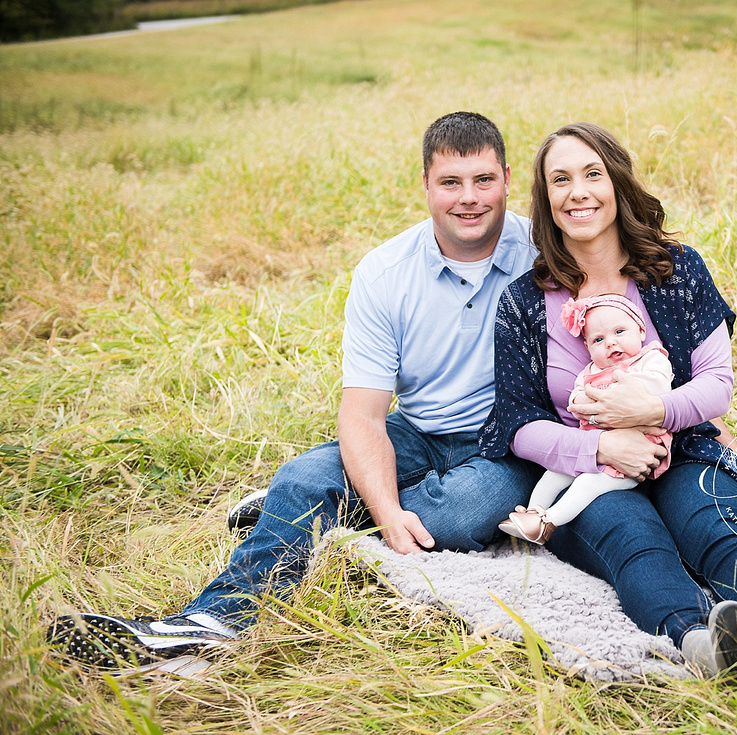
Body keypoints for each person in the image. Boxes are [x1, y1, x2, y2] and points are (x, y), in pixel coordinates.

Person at [49, 111, 542, 672]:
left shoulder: (542, 254)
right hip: (419, 429)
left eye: (483, 180)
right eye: (450, 182)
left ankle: (316, 510)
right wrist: (385, 511)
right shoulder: (384, 274)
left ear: (506, 177)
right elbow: (364, 416)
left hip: (509, 437)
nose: (469, 198)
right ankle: (206, 628)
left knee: (459, 516)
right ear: (424, 185)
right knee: (303, 477)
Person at [479, 122, 737, 679]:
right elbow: (516, 421)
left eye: (592, 174)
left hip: (682, 447)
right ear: (545, 198)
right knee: (638, 544)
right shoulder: (524, 302)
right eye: (560, 179)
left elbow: (715, 383)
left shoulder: (676, 271)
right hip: (586, 474)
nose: (578, 191)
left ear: (617, 182)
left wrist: (651, 413)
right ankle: (707, 646)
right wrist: (603, 446)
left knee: (709, 528)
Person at [498, 293, 674, 544]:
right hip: (594, 447)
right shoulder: (591, 371)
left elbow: (658, 386)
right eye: (599, 339)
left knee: (587, 484)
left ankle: (548, 523)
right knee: (554, 473)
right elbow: (576, 402)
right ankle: (532, 513)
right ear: (588, 348)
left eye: (620, 331)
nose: (611, 344)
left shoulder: (651, 359)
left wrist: (612, 396)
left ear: (641, 330)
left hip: (638, 452)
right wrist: (587, 403)